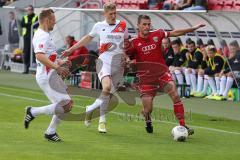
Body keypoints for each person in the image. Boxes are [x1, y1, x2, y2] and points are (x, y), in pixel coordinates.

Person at [127, 14, 205, 134]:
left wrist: (193, 28)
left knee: (174, 94)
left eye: (148, 24)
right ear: (138, 26)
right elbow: (125, 55)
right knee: (147, 109)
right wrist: (126, 60)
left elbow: (176, 33)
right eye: (144, 24)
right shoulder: (133, 43)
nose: (147, 27)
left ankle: (183, 126)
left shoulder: (157, 34)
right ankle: (147, 119)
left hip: (162, 73)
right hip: (146, 79)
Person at [62, 3, 129, 133]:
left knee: (108, 96)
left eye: (115, 13)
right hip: (104, 61)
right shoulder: (99, 26)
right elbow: (86, 39)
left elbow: (125, 43)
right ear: (105, 14)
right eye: (111, 14)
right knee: (107, 88)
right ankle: (102, 121)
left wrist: (126, 56)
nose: (114, 16)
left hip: (118, 64)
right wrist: (70, 50)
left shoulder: (123, 25)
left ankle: (90, 109)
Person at [24, 9, 72, 142]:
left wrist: (60, 62)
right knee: (65, 105)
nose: (54, 24)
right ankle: (33, 112)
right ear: (47, 20)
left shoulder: (45, 34)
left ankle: (50, 131)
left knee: (67, 104)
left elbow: (47, 55)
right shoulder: (42, 35)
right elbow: (39, 56)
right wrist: (57, 67)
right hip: (46, 76)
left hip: (50, 74)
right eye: (53, 21)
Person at [21, 5, 38, 73]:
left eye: (30, 9)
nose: (29, 11)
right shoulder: (24, 17)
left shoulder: (36, 16)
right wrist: (30, 24)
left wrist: (28, 24)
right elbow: (22, 24)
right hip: (26, 37)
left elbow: (36, 25)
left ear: (33, 10)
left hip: (34, 37)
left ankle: (33, 69)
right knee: (26, 52)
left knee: (34, 53)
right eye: (28, 10)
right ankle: (26, 69)